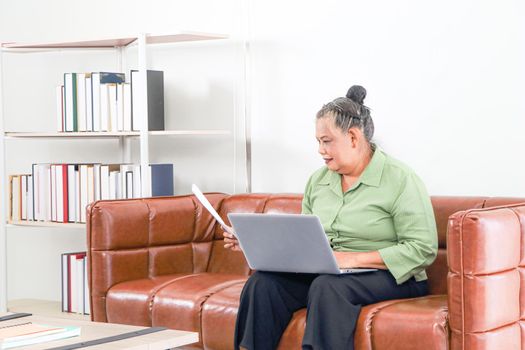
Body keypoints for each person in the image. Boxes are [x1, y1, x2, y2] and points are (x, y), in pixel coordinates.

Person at [223, 85, 438, 350]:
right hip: (332, 272)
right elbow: (303, 242)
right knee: (262, 284)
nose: (320, 150)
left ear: (353, 137)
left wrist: (352, 259)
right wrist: (255, 244)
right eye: (318, 142)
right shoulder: (319, 180)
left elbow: (422, 249)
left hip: (393, 277)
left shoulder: (400, 179)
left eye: (327, 141)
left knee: (328, 287)